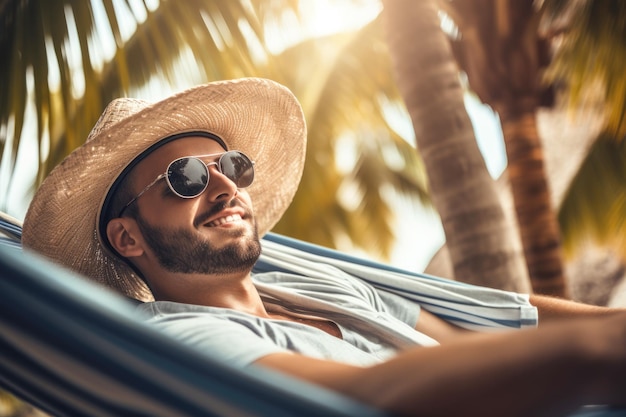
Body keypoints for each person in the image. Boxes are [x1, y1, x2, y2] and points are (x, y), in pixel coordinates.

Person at [22, 78, 626, 417]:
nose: (227, 186)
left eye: (230, 166)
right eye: (186, 177)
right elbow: (355, 401)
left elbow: (467, 344)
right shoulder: (177, 339)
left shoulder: (326, 289)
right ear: (127, 236)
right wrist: (597, 350)